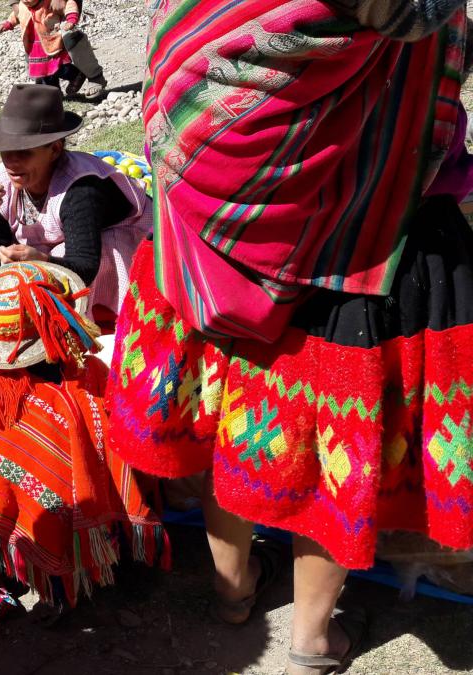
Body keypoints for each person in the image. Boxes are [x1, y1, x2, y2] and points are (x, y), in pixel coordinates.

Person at [109, 2, 471, 673]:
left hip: (216, 234)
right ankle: (311, 641)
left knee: (238, 421)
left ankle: (233, 590)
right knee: (336, 454)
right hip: (364, 234)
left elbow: (181, 55)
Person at [0, 261, 168, 610]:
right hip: (106, 524)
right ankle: (111, 549)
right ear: (62, 321)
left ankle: (39, 568)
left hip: (52, 531)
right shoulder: (92, 374)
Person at [0, 83, 151, 327]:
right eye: (5, 152)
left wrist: (44, 261)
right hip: (58, 248)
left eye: (24, 152)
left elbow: (84, 267)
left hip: (118, 242)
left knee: (86, 252)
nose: (11, 162)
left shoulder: (81, 189)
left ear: (54, 150)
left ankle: (99, 324)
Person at [0, 0, 107, 100]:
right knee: (42, 70)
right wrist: (8, 23)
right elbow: (16, 16)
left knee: (65, 50)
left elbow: (69, 6)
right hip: (35, 46)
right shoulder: (24, 5)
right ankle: (52, 94)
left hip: (50, 41)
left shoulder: (46, 3)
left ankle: (88, 75)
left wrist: (71, 18)